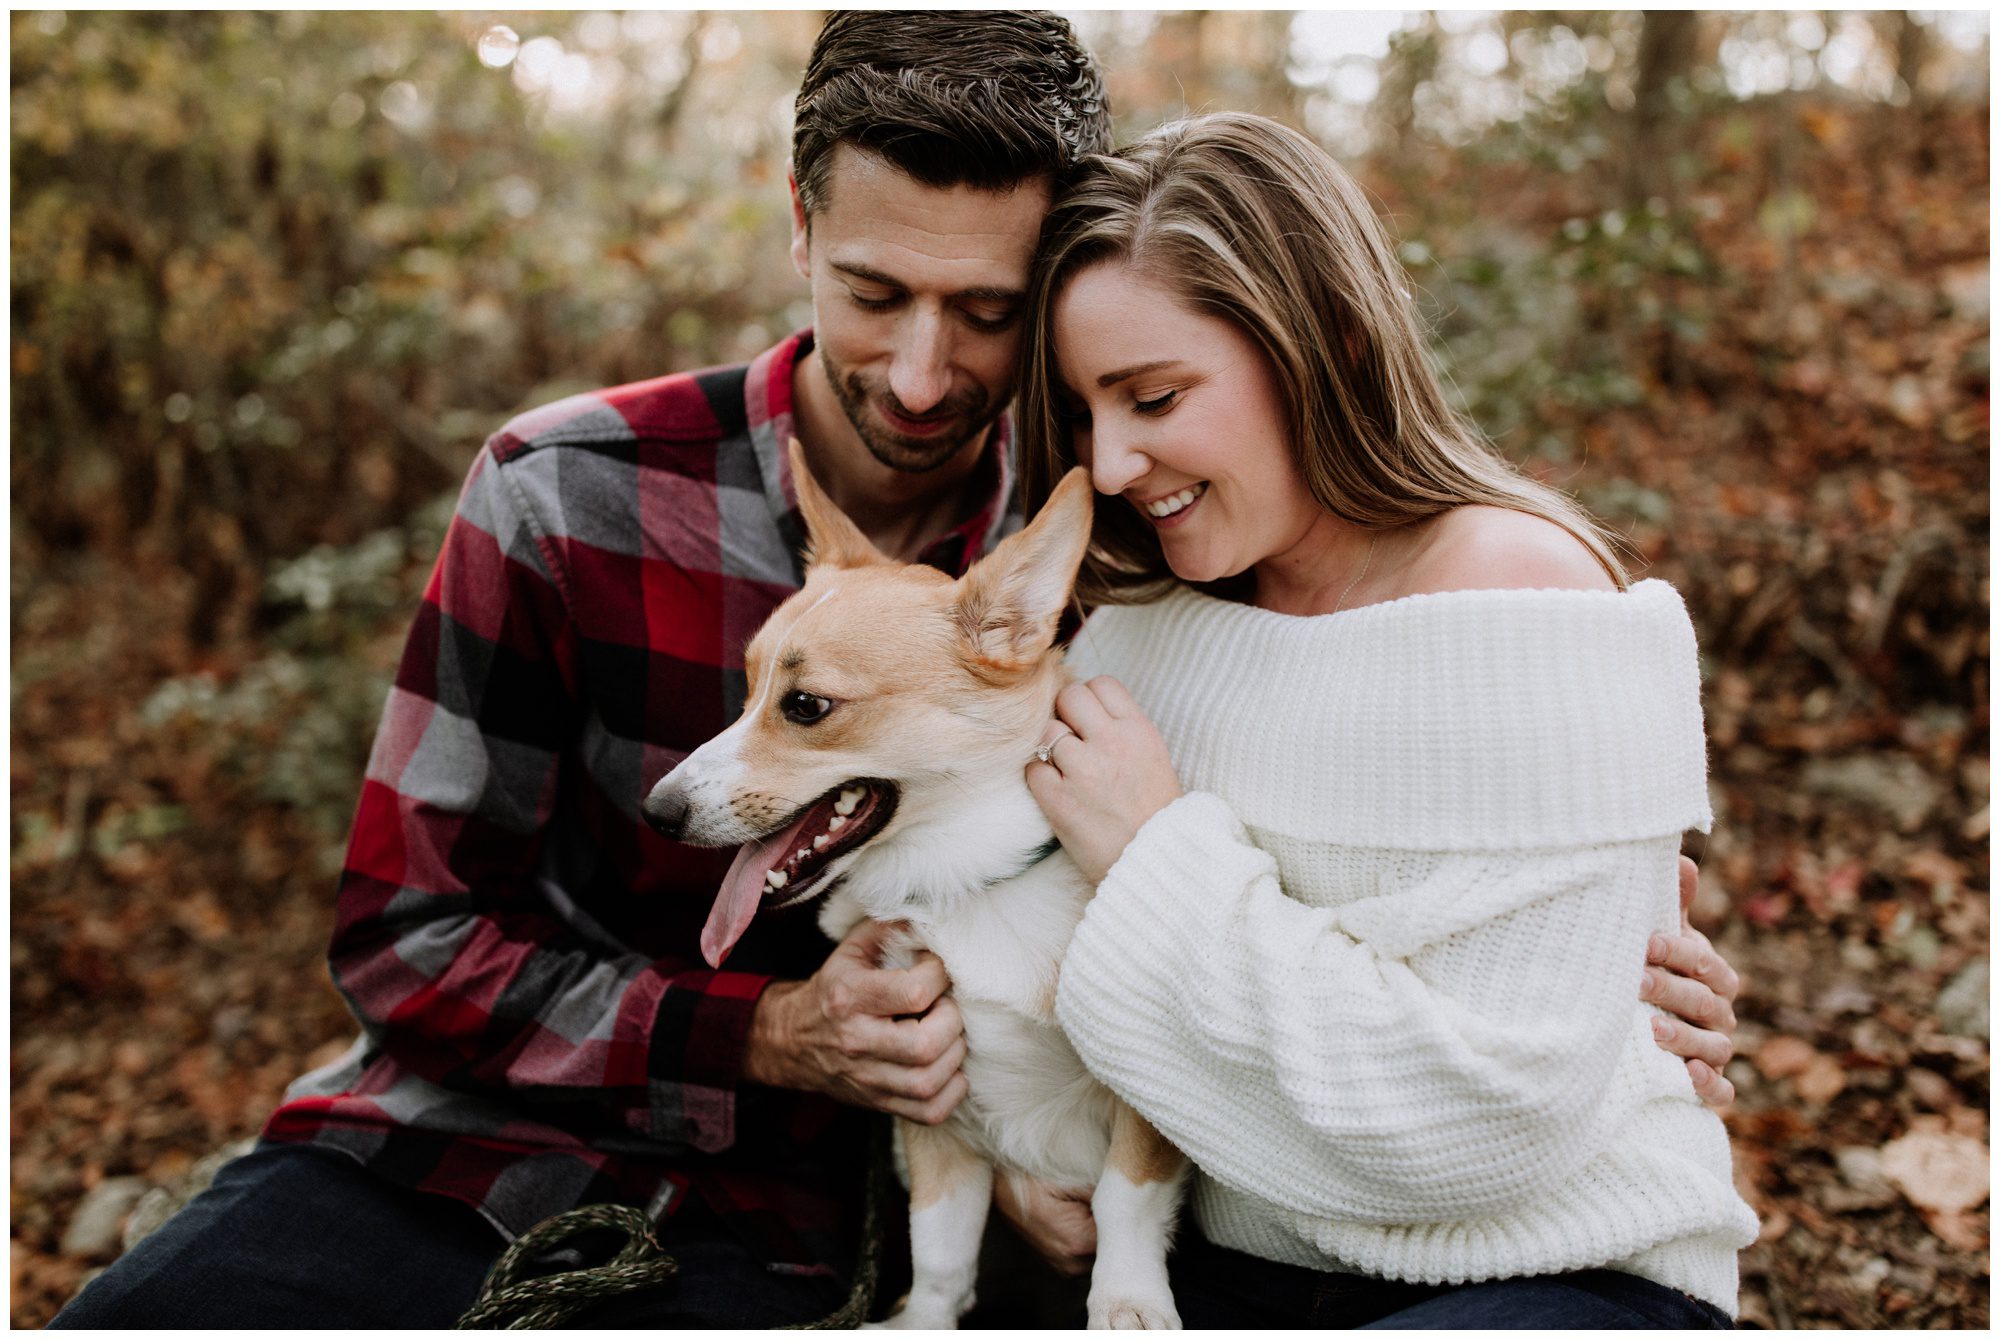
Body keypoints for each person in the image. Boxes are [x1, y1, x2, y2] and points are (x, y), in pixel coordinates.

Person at [53, 14, 1740, 1326]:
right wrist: (768, 1036)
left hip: (832, 1223)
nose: (927, 373)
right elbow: (404, 935)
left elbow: (1338, 811)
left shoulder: (1116, 548)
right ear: (797, 226)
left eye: (990, 317)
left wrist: (1605, 989)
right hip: (472, 1145)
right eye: (875, 291)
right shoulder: (568, 492)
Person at [1015, 111, 1761, 1329]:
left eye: (1152, 395)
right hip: (1225, 1263)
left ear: (1331, 345)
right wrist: (1016, 1161)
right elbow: (1041, 965)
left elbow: (1482, 1128)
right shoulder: (1132, 636)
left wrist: (1155, 857)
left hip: (1551, 1270)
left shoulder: (1522, 594)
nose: (1105, 465)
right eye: (1084, 409)